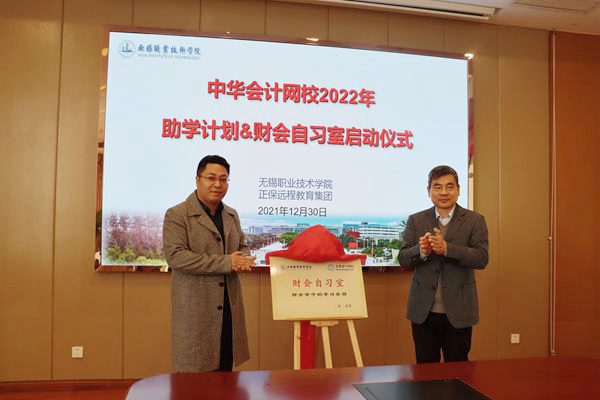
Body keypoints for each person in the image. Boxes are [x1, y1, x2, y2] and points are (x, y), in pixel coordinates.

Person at [163, 155, 256, 372]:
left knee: (225, 369)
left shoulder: (231, 214)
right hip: (195, 307)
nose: (218, 184)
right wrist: (227, 262)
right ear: (198, 179)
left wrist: (244, 257)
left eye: (223, 179)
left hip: (228, 306)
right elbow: (176, 256)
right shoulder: (178, 214)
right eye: (211, 178)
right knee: (193, 373)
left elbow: (241, 246)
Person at [398, 165, 488, 363]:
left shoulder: (475, 220)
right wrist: (421, 251)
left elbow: (482, 258)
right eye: (437, 187)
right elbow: (403, 258)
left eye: (449, 186)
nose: (444, 192)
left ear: (458, 189)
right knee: (425, 370)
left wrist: (447, 248)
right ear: (429, 191)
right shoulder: (416, 220)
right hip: (423, 312)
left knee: (457, 371)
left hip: (459, 312)